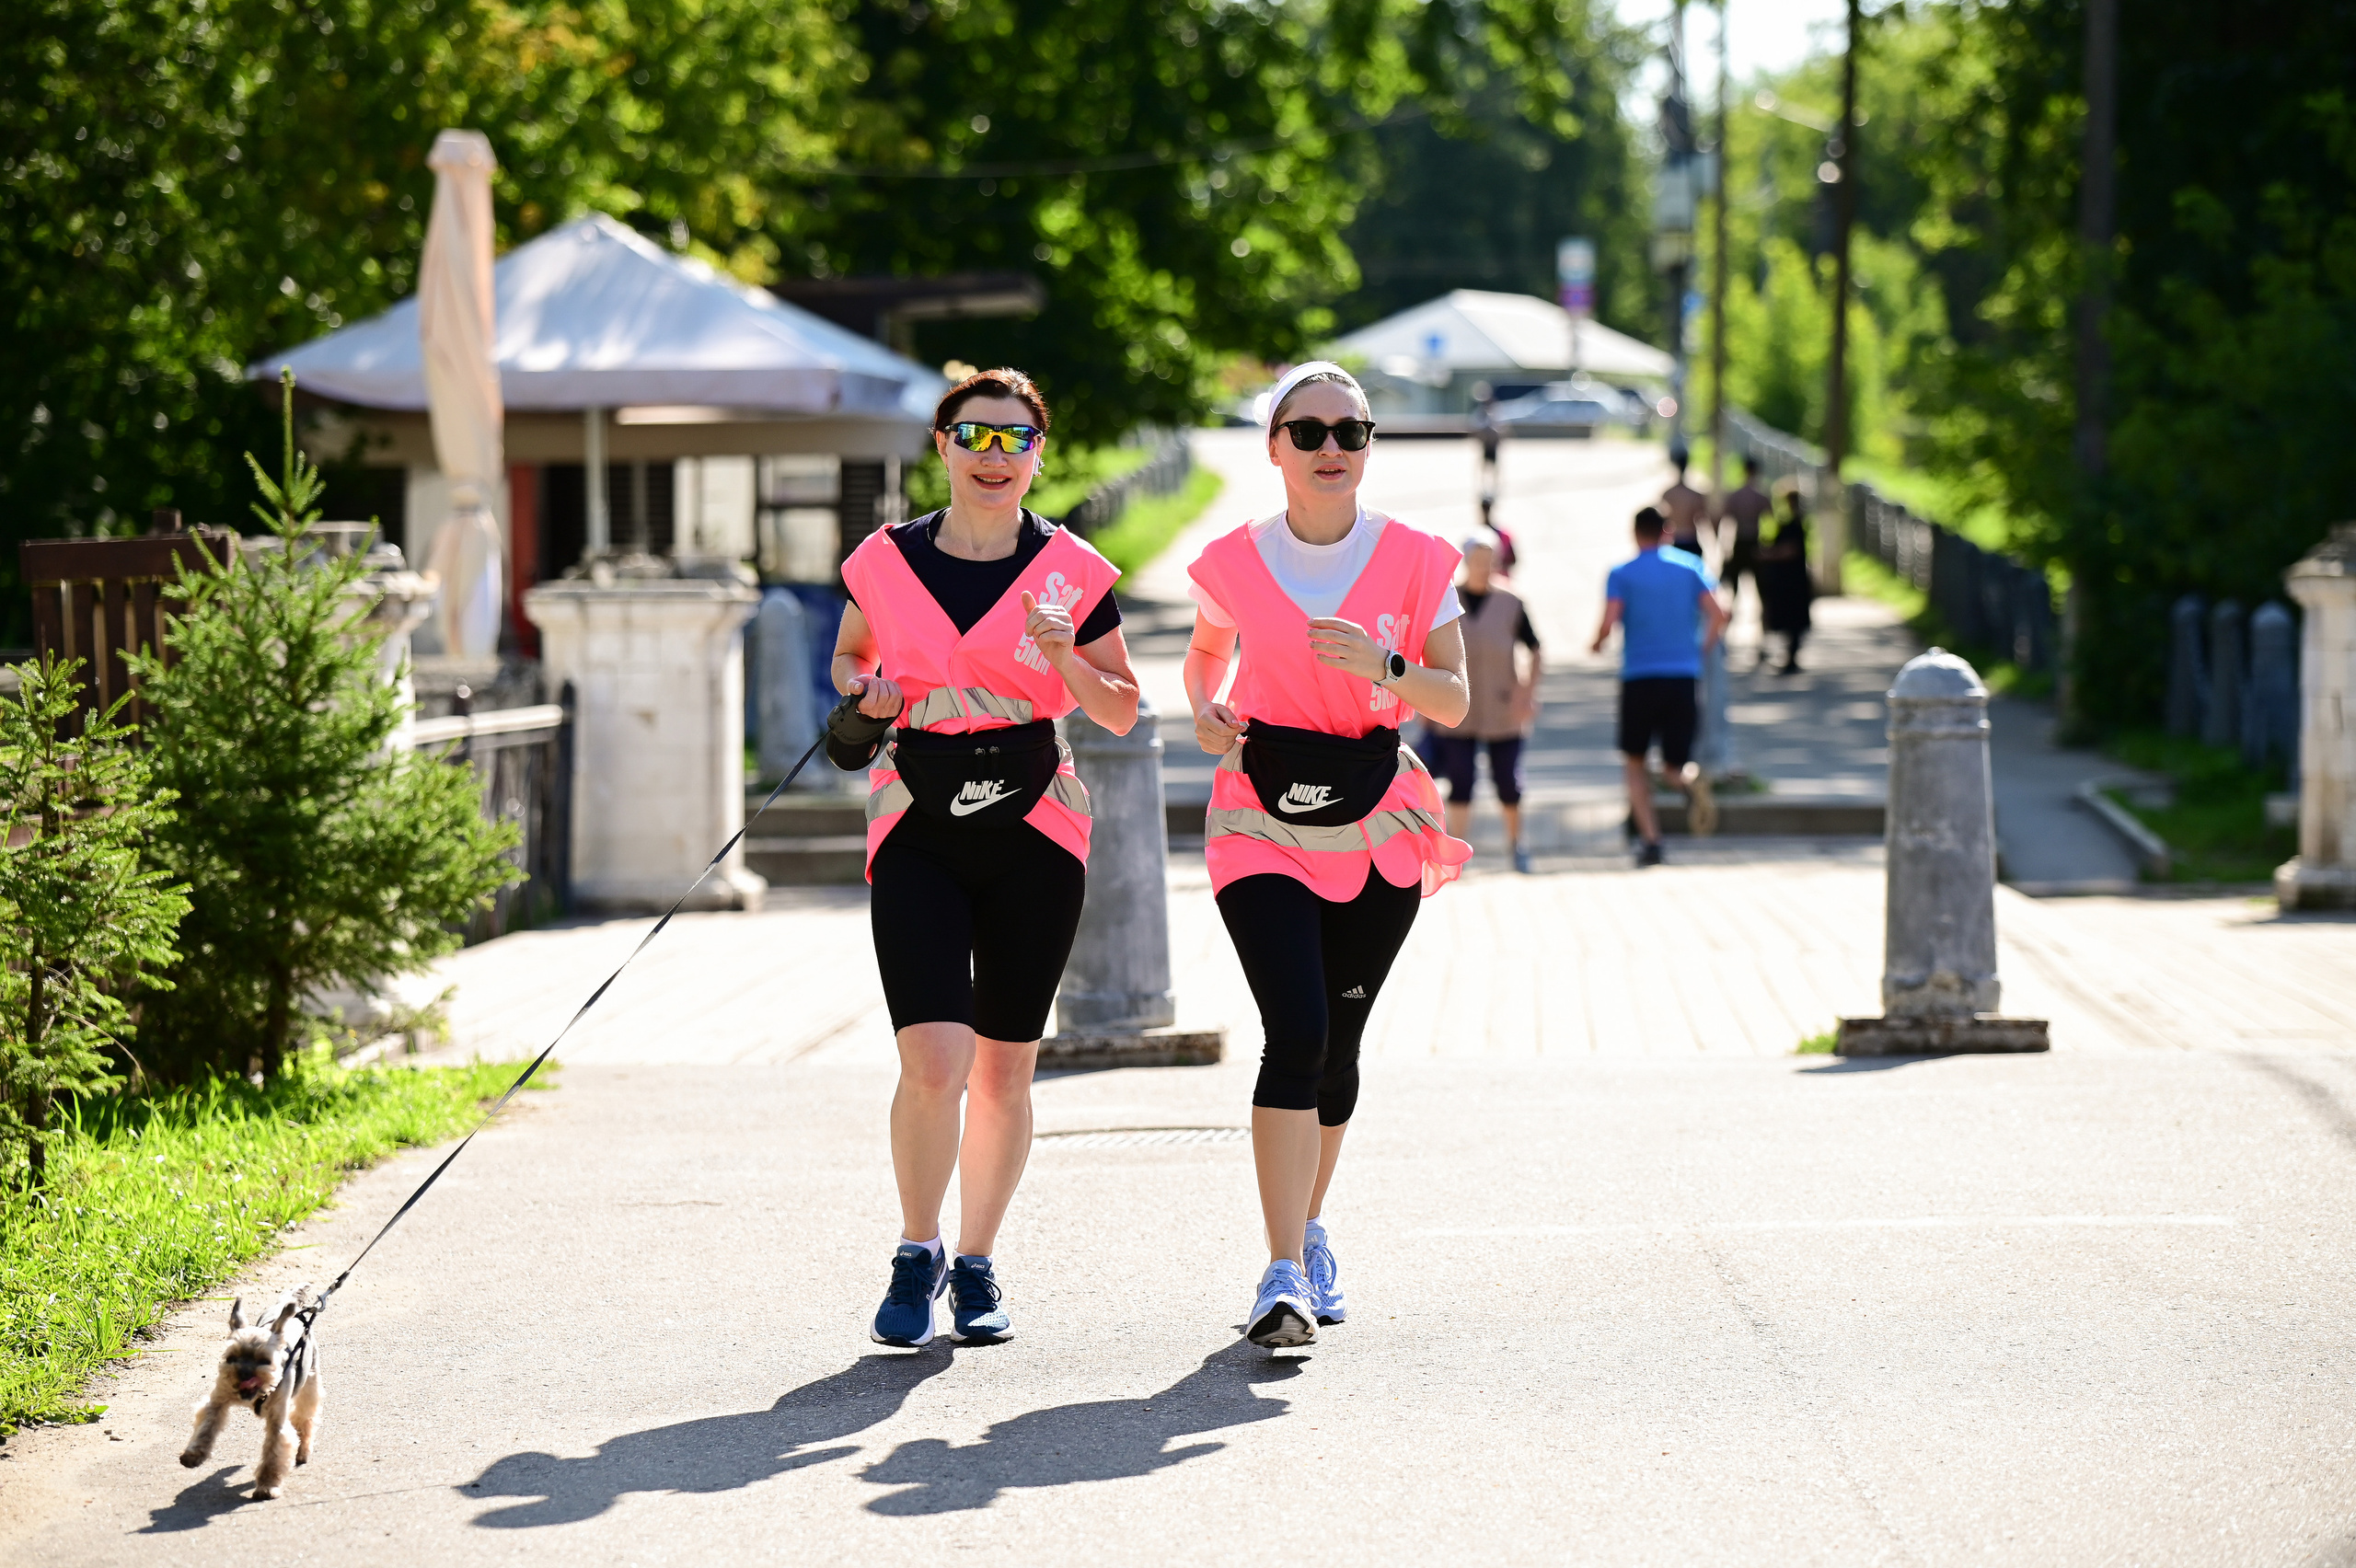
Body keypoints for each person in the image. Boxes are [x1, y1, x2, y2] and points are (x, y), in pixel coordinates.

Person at [828, 367, 1140, 1349]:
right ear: (943, 445)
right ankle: (914, 1249)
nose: (995, 456)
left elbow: (1122, 707)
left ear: (1038, 452)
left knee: (1004, 1072)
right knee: (934, 1060)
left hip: (1034, 827)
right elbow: (848, 657)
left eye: (1015, 440)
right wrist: (866, 689)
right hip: (917, 816)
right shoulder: (883, 561)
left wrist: (1062, 658)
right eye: (976, 437)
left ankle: (975, 1263)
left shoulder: (1074, 571)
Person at [1184, 361, 1472, 1350]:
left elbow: (1453, 700)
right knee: (1294, 1027)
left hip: (1376, 815)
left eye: (1350, 433)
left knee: (1337, 1048)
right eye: (1306, 433)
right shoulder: (1231, 558)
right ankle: (1277, 1271)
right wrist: (1206, 712)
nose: (1330, 451)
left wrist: (1386, 666)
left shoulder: (1418, 557)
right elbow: (1202, 655)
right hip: (1258, 814)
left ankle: (1309, 1233)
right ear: (1273, 449)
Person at [1589, 505, 1728, 867]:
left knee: (1635, 763)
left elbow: (1609, 622)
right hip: (1683, 675)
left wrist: (1597, 643)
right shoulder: (1691, 566)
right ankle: (1688, 779)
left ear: (1635, 534)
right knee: (1672, 764)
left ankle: (1652, 841)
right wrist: (1702, 649)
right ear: (1667, 531)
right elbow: (1719, 612)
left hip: (1639, 676)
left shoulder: (1622, 573)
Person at [1417, 528, 1542, 873]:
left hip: (1502, 706)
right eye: (1478, 560)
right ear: (1465, 561)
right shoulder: (1445, 599)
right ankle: (1457, 852)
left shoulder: (1511, 602)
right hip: (1456, 707)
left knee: (1508, 781)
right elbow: (1422, 647)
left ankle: (1517, 846)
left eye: (1490, 560)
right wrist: (1425, 701)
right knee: (1461, 780)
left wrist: (1527, 693)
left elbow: (1535, 648)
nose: (1484, 566)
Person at [1715, 455, 1773, 652]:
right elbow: (1771, 522)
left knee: (1734, 595)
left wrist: (1723, 548)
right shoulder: (1761, 496)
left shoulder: (1735, 495)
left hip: (1739, 545)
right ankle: (1762, 642)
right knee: (1762, 595)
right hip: (1755, 545)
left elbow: (1724, 523)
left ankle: (1725, 640)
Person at [1759, 483, 1816, 674]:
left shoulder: (1796, 524)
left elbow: (1791, 550)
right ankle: (1790, 656)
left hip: (1793, 579)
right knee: (1791, 618)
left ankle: (1791, 657)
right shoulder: (1793, 522)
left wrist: (1769, 554)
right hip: (1789, 577)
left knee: (1793, 618)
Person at [1660, 446, 1709, 558]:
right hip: (1691, 539)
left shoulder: (1668, 494)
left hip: (1674, 540)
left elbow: (1663, 519)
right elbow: (1702, 519)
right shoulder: (1696, 495)